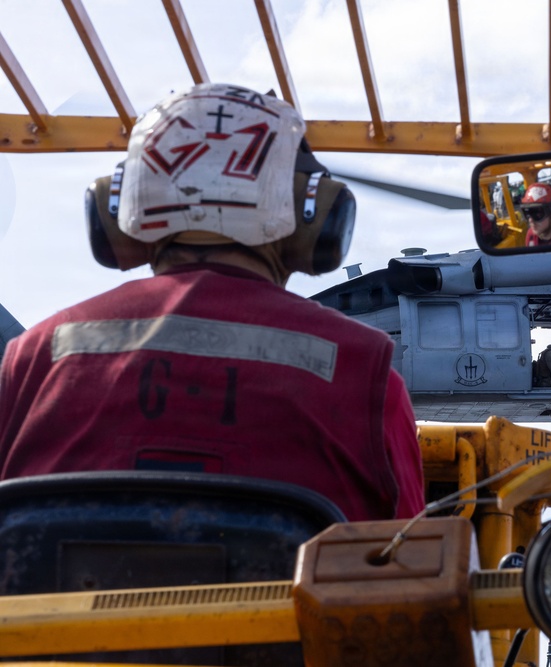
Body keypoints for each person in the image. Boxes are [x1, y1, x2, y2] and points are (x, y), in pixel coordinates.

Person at [0, 83, 424, 522]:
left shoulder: (31, 359)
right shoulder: (367, 374)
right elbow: (413, 554)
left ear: (118, 208)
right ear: (313, 213)